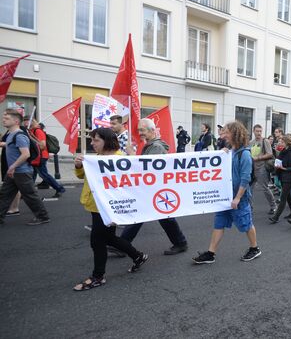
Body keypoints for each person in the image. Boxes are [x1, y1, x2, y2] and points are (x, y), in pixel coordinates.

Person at [72, 128, 148, 291]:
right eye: (91, 140)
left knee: (97, 241)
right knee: (109, 238)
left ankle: (98, 276)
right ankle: (138, 256)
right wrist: (79, 166)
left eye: (96, 140)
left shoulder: (119, 159)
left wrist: (132, 156)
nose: (92, 143)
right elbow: (81, 176)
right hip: (95, 205)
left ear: (107, 141)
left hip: (107, 207)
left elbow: (134, 179)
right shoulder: (96, 158)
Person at [193, 121, 261, 264]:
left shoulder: (245, 155)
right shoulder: (229, 151)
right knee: (219, 223)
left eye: (226, 133)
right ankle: (211, 253)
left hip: (239, 197)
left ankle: (254, 248)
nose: (223, 135)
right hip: (225, 196)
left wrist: (237, 198)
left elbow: (245, 179)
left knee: (246, 223)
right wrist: (223, 154)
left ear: (235, 134)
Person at [118, 119, 189, 255]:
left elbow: (146, 167)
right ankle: (180, 242)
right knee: (161, 216)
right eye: (139, 130)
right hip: (152, 188)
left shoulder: (156, 147)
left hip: (155, 188)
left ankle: (122, 245)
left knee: (148, 215)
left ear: (152, 130)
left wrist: (131, 154)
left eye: (142, 130)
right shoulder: (151, 145)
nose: (140, 133)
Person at [0, 109, 50, 226]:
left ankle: (43, 216)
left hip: (22, 172)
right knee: (5, 195)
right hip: (14, 172)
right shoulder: (11, 134)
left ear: (16, 121)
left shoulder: (20, 135)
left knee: (30, 196)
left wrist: (12, 166)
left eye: (7, 118)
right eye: (3, 118)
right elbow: (10, 146)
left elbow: (26, 154)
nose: (3, 120)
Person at [24, 117, 65, 198]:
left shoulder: (38, 131)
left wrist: (30, 138)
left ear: (33, 121)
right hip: (35, 156)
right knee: (32, 175)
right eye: (24, 121)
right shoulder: (30, 131)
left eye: (27, 121)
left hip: (40, 156)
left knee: (43, 175)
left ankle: (60, 188)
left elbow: (42, 145)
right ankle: (27, 193)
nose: (25, 123)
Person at [269, 135, 291, 223]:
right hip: (282, 177)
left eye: (282, 142)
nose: (280, 143)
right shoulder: (283, 152)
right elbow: (279, 161)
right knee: (288, 196)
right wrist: (276, 165)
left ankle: (276, 217)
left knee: (283, 197)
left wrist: (284, 168)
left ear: (287, 143)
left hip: (288, 178)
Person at [249, 124, 277, 214]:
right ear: (253, 131)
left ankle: (273, 206)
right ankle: (250, 207)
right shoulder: (251, 142)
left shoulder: (265, 141)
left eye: (260, 131)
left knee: (265, 188)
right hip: (252, 168)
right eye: (257, 131)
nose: (259, 133)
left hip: (262, 167)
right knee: (249, 188)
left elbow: (269, 154)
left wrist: (258, 158)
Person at [1, 129, 21, 217]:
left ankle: (15, 208)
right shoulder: (9, 131)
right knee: (9, 186)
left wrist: (3, 144)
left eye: (6, 117)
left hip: (13, 163)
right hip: (7, 161)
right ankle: (11, 208)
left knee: (19, 187)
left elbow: (22, 149)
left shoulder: (19, 131)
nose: (4, 119)